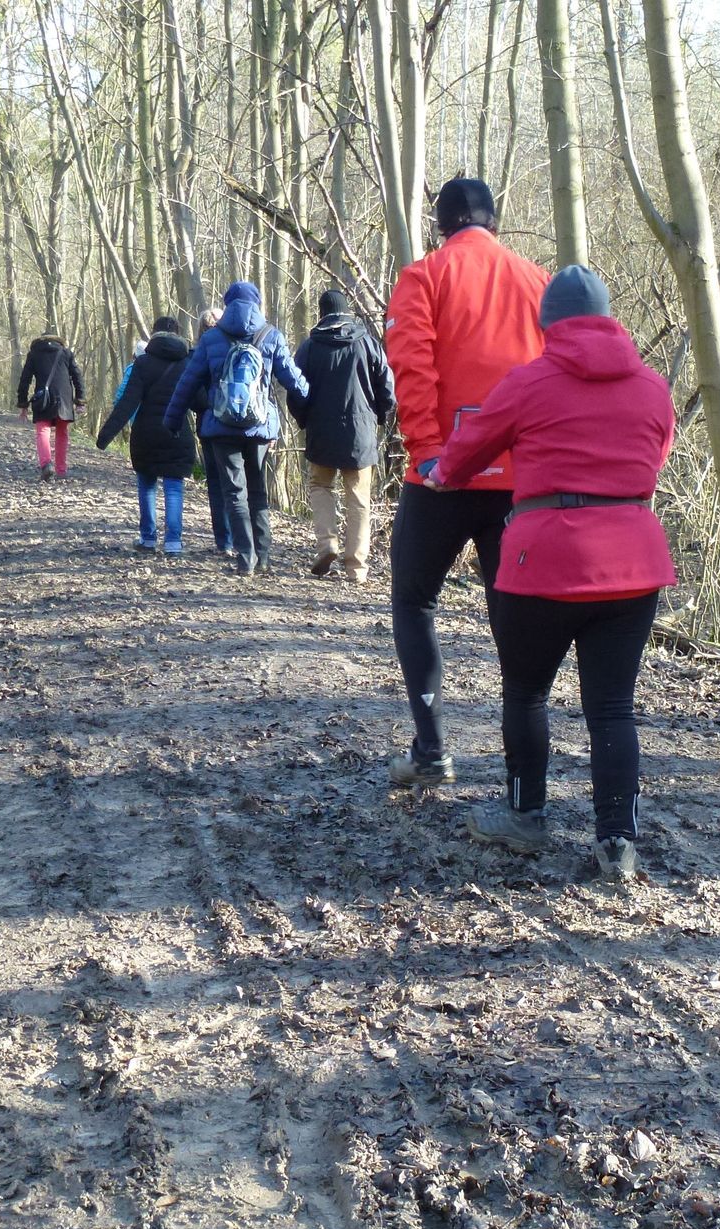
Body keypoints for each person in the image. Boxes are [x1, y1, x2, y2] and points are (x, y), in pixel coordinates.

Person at [422, 266, 675, 884]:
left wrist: (440, 473)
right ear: (608, 318)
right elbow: (655, 457)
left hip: (544, 564)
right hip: (634, 563)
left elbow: (465, 454)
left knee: (526, 692)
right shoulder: (653, 387)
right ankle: (617, 841)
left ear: (548, 325)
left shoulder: (527, 382)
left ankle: (524, 815)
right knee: (612, 707)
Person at [383, 177, 549, 786]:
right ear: (494, 222)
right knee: (514, 616)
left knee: (414, 600)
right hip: (521, 481)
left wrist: (428, 451)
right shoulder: (538, 281)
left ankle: (432, 749)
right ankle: (521, 780)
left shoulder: (425, 276)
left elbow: (412, 367)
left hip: (442, 477)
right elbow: (556, 376)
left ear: (441, 225)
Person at [163, 281, 308, 576]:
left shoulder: (211, 338)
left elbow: (188, 382)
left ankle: (245, 558)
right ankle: (263, 556)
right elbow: (294, 382)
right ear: (257, 304)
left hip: (222, 426)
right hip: (259, 427)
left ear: (227, 304)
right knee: (257, 490)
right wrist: (312, 398)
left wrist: (172, 420)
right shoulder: (271, 335)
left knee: (234, 493)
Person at [287, 289, 396, 583]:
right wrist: (379, 417)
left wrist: (304, 420)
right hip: (360, 432)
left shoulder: (310, 347)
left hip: (321, 430)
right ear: (347, 311)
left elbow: (295, 390)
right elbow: (387, 387)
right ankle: (356, 567)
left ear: (321, 314)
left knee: (320, 485)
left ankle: (327, 545)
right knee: (359, 498)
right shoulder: (367, 343)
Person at [96, 316, 196, 555]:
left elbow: (127, 403)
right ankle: (173, 542)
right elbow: (201, 401)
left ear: (153, 334)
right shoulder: (187, 364)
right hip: (177, 432)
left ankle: (148, 539)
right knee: (174, 488)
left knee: (147, 485)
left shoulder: (142, 363)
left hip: (146, 434)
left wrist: (105, 436)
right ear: (179, 334)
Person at [17, 329, 86, 481]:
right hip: (64, 398)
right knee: (62, 432)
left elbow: (25, 379)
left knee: (43, 430)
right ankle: (61, 470)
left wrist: (23, 403)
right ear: (57, 340)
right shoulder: (66, 353)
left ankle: (46, 464)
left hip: (43, 398)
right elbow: (77, 376)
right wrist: (80, 400)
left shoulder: (34, 354)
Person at [197, 306, 232, 554]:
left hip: (209, 425)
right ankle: (243, 539)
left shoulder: (199, 352)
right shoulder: (238, 347)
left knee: (216, 484)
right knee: (237, 482)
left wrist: (208, 406)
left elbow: (192, 394)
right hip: (239, 425)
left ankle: (224, 541)